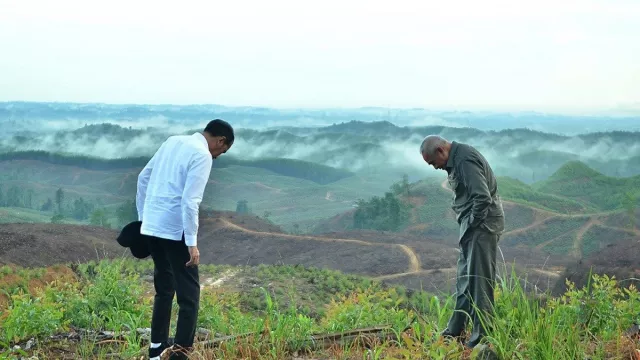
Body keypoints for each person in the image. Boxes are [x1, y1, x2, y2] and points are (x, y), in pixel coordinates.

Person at [136, 119, 234, 360]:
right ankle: (180, 353)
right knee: (189, 295)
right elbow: (190, 202)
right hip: (175, 231)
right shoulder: (202, 155)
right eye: (223, 150)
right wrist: (192, 242)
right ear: (220, 141)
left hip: (152, 228)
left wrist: (143, 219)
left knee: (164, 288)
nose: (219, 155)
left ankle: (156, 348)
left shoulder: (172, 142)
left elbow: (142, 178)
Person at [419, 135, 504, 349]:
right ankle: (454, 330)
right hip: (472, 228)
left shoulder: (464, 160)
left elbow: (482, 197)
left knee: (479, 282)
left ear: (441, 150)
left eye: (432, 163)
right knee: (465, 280)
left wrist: (473, 224)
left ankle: (481, 339)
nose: (435, 168)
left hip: (482, 227)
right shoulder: (455, 159)